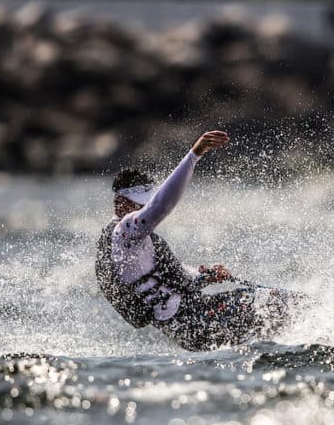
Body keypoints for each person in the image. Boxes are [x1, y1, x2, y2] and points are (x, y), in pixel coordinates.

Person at [95, 130, 298, 351]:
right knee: (281, 304)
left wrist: (206, 275)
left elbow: (162, 279)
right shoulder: (124, 232)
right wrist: (194, 155)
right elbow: (161, 206)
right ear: (121, 203)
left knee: (272, 323)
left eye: (146, 203)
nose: (145, 209)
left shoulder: (125, 244)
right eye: (141, 204)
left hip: (188, 329)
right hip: (196, 320)